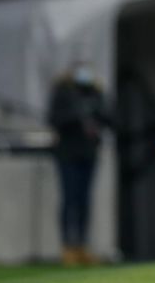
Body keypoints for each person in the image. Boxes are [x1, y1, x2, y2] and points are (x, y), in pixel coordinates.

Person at [48, 62, 109, 266]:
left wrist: (97, 112)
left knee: (84, 201)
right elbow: (54, 119)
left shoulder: (94, 93)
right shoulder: (63, 93)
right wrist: (76, 115)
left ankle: (82, 246)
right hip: (67, 154)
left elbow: (111, 119)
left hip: (89, 153)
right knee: (69, 199)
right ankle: (68, 246)